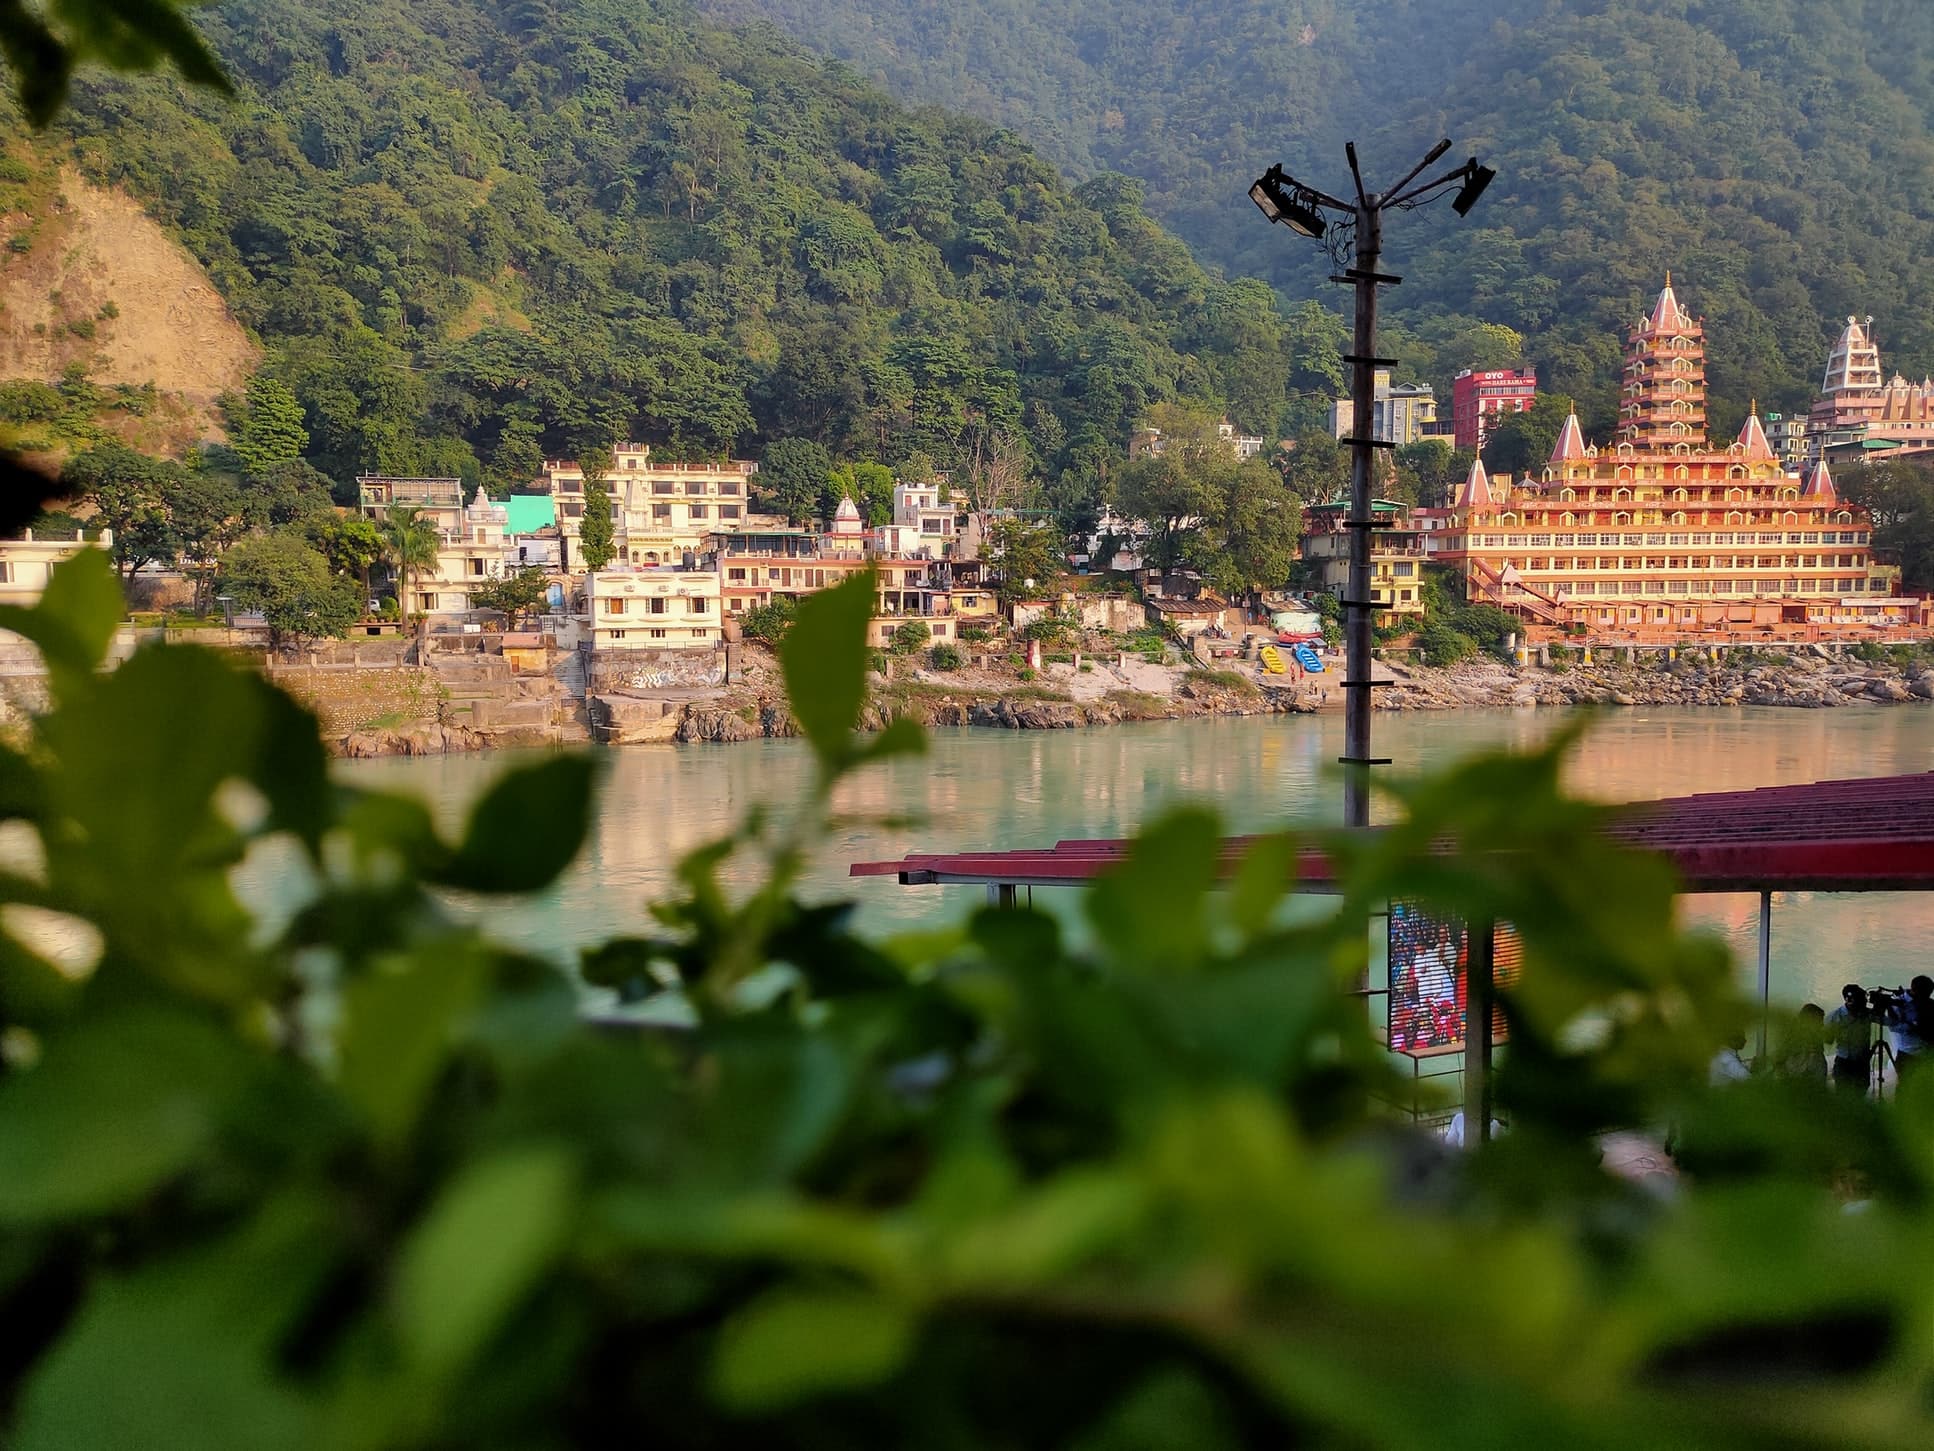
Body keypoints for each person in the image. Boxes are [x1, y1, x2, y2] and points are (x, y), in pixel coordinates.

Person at [1825, 983, 1875, 1091]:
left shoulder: (1867, 1013)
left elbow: (1892, 1022)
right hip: (1844, 1062)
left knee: (1861, 1090)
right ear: (1849, 1000)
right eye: (1860, 1001)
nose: (1864, 1004)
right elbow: (1827, 1040)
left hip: (1862, 1061)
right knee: (1842, 1092)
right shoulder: (1835, 1016)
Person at [1884, 975, 1932, 1079]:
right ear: (1915, 991)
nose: (1928, 997)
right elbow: (1894, 1026)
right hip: (1908, 1054)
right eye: (1925, 995)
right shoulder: (1896, 1003)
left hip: (1927, 1053)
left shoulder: (1927, 1003)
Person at [1773, 1003, 1828, 1080]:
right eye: (1819, 1021)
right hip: (1796, 1079)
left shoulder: (1815, 1035)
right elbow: (1778, 1059)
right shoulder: (1791, 1036)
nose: (1822, 1025)